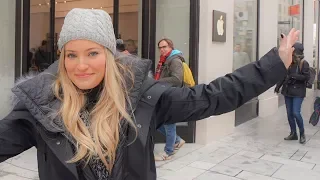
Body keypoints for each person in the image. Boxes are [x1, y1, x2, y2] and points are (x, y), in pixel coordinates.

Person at [0, 8, 299, 180]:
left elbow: (210, 97)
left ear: (109, 54)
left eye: (92, 53)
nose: (81, 66)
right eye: (71, 55)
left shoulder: (141, 96)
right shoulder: (42, 106)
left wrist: (271, 66)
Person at [154, 38, 185, 161]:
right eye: (160, 47)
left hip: (171, 96)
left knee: (168, 123)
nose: (162, 49)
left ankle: (169, 151)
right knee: (158, 122)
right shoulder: (165, 59)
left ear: (170, 47)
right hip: (164, 95)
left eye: (164, 47)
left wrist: (157, 82)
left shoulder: (175, 60)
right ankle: (177, 140)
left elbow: (177, 79)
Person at [275, 42, 309, 144]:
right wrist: (278, 86)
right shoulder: (289, 62)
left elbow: (306, 77)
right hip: (288, 91)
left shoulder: (304, 63)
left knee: (296, 112)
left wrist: (293, 76)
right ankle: (293, 133)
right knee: (289, 114)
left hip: (298, 91)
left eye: (292, 50)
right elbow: (283, 75)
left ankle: (302, 133)